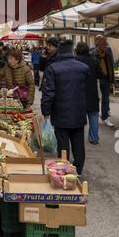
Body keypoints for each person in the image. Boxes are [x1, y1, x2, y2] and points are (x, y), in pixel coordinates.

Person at [41, 39, 89, 175]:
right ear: (72, 50)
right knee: (78, 143)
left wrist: (46, 111)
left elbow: (48, 92)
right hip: (79, 112)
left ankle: (64, 170)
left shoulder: (53, 68)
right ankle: (78, 170)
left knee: (62, 144)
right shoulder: (83, 68)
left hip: (60, 112)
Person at [76, 42, 100, 145]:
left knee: (78, 117)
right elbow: (100, 74)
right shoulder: (93, 60)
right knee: (93, 115)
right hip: (92, 92)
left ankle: (77, 138)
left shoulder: (75, 61)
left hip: (79, 92)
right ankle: (94, 138)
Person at [91, 35, 114, 127]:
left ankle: (105, 117)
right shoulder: (93, 53)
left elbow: (110, 66)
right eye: (103, 45)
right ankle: (95, 116)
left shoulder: (108, 52)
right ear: (98, 45)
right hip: (96, 79)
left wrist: (112, 80)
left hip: (105, 79)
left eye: (106, 44)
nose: (105, 46)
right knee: (97, 98)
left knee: (106, 99)